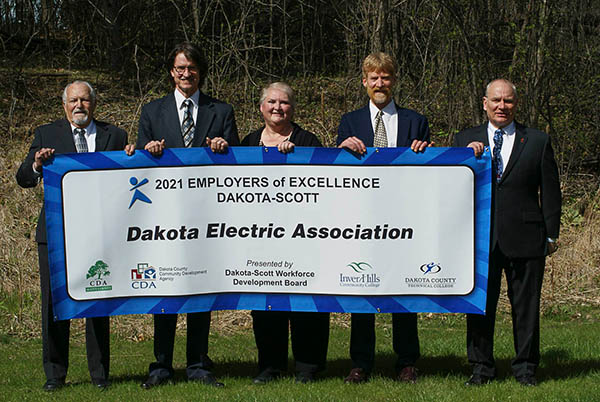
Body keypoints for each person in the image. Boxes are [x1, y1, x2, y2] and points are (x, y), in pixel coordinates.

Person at [133, 42, 239, 389]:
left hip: (206, 217)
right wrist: (149, 152)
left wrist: (223, 149)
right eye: (180, 68)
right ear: (171, 72)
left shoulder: (220, 111)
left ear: (200, 73)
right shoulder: (152, 112)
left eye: (192, 68)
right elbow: (138, 165)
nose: (185, 74)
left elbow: (237, 162)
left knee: (199, 288)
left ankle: (198, 363)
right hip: (163, 219)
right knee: (164, 287)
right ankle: (160, 364)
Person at [16, 80, 128, 391]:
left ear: (95, 103)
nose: (79, 106)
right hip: (56, 233)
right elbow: (23, 178)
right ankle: (55, 374)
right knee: (54, 304)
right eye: (73, 100)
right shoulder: (46, 134)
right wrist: (37, 164)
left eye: (85, 100)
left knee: (98, 299)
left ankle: (100, 375)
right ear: (65, 105)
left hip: (100, 233)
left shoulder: (115, 135)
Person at [453, 78, 561, 386]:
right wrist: (465, 156)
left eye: (509, 101)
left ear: (517, 104)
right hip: (478, 239)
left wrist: (551, 234)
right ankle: (481, 367)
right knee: (479, 308)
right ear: (484, 103)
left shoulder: (537, 140)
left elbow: (551, 191)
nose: (503, 106)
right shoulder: (464, 139)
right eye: (497, 100)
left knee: (526, 307)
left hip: (527, 236)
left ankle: (526, 368)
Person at [336, 52, 430, 384]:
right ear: (364, 82)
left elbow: (430, 172)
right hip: (362, 221)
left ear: (394, 81)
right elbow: (335, 174)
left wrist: (425, 150)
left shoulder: (414, 121)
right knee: (362, 289)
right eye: (373, 77)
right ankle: (361, 362)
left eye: (386, 77)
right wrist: (341, 147)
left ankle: (407, 362)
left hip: (404, 221)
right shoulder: (349, 122)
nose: (380, 83)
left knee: (404, 291)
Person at [242, 82, 329, 384]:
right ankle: (270, 366)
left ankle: (309, 366)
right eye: (272, 102)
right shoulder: (248, 141)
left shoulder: (308, 139)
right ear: (261, 107)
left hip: (303, 235)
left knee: (306, 303)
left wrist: (298, 156)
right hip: (260, 239)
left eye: (285, 102)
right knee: (266, 306)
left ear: (293, 108)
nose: (278, 107)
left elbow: (323, 183)